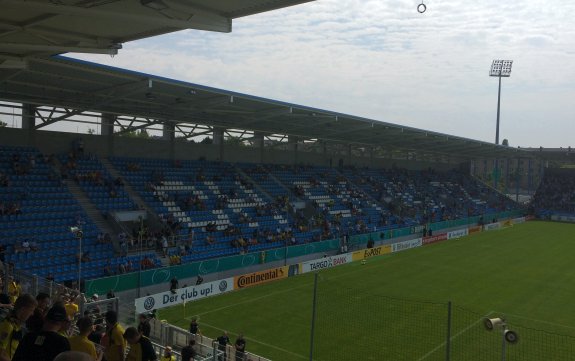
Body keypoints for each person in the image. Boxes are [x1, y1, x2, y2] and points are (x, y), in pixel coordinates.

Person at [0, 294, 37, 361]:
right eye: (31, 310)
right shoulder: (8, 326)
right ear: (23, 309)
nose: (32, 314)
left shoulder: (16, 326)